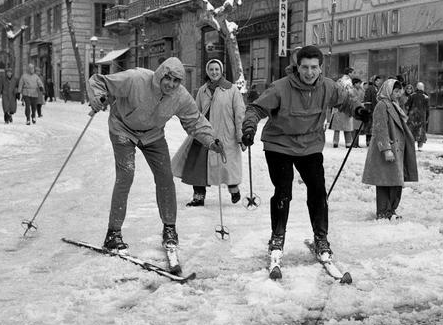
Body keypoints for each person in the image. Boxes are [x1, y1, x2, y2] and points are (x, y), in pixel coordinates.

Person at [241, 45, 368, 259]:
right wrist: (249, 128)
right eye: (305, 67)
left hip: (310, 144)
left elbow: (346, 101)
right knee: (283, 191)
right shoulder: (280, 87)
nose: (309, 72)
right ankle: (277, 238)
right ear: (297, 67)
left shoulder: (328, 87)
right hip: (279, 144)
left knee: (318, 191)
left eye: (314, 67)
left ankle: (321, 238)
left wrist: (358, 110)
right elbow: (256, 108)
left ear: (320, 68)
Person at [89, 57, 225, 253]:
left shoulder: (180, 97)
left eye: (176, 81)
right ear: (160, 75)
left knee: (165, 177)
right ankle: (113, 233)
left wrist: (211, 140)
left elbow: (195, 121)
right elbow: (99, 81)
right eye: (168, 78)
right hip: (122, 129)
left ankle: (170, 228)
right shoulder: (136, 80)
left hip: (153, 134)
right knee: (126, 175)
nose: (171, 84)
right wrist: (98, 96)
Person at [172, 58, 245, 206]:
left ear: (221, 71)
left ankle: (234, 189)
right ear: (207, 71)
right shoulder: (202, 90)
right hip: (204, 134)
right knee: (198, 164)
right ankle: (198, 196)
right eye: (211, 69)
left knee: (227, 164)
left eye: (216, 69)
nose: (214, 72)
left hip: (226, 134)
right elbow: (195, 112)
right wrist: (194, 130)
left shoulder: (232, 90)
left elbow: (240, 114)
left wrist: (240, 136)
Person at [362, 78, 419, 220]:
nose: (398, 94)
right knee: (384, 182)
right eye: (396, 90)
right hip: (388, 151)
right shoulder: (382, 105)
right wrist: (386, 149)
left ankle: (390, 210)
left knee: (395, 182)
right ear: (388, 90)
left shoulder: (394, 105)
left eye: (400, 91)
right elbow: (380, 128)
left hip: (397, 150)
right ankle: (383, 211)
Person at [329, 74, 356, 148]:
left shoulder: (337, 88)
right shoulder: (351, 89)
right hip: (347, 110)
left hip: (338, 109)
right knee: (347, 129)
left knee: (337, 128)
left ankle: (335, 142)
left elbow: (333, 98)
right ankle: (348, 143)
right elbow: (354, 100)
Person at [406, 81, 430, 149]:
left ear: (417, 88)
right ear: (422, 88)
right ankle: (420, 146)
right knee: (421, 131)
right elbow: (428, 109)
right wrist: (427, 118)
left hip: (412, 117)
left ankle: (411, 146)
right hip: (422, 117)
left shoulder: (412, 95)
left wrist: (408, 113)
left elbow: (407, 106)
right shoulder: (426, 97)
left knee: (412, 131)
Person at [362, 76, 381, 147]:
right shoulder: (370, 88)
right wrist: (368, 108)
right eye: (378, 81)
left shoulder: (377, 89)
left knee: (373, 126)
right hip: (370, 109)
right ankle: (368, 141)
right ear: (374, 81)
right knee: (369, 125)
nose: (379, 82)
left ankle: (371, 141)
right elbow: (367, 100)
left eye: (379, 81)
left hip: (375, 109)